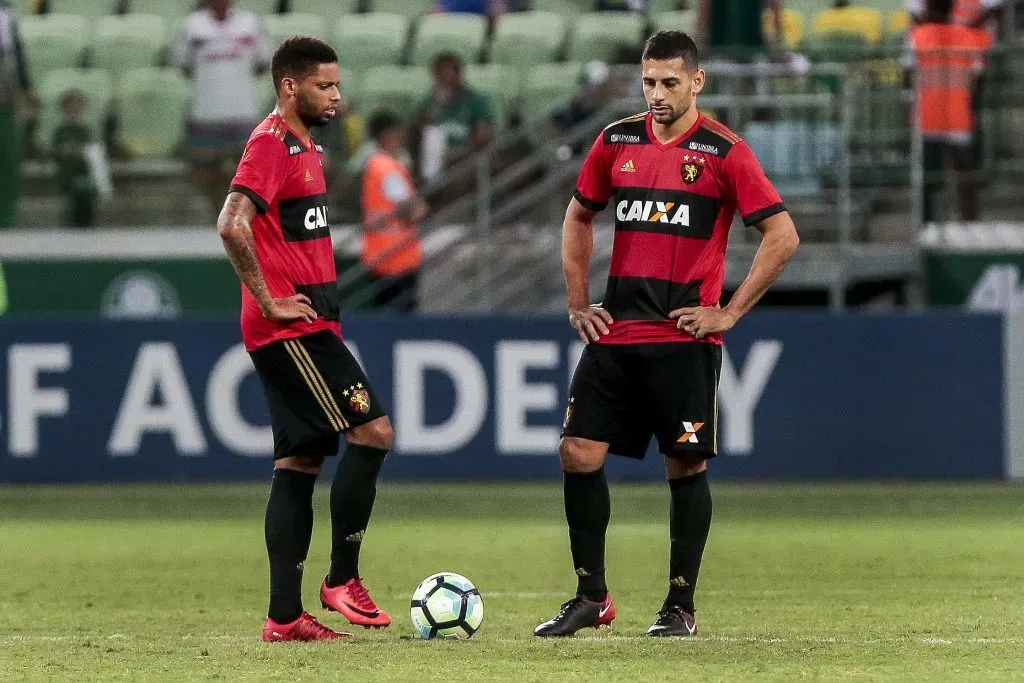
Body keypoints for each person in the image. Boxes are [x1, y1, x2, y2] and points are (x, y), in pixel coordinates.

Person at [533, 30, 799, 638]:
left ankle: (679, 607)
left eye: (669, 83)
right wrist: (579, 302)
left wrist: (727, 313)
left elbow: (782, 236)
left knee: (683, 465)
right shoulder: (615, 140)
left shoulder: (725, 151)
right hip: (618, 331)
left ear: (697, 82)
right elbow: (579, 216)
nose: (656, 94)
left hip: (683, 338)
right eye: (649, 81)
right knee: (577, 451)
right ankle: (590, 597)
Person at [218, 36, 394, 642]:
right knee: (373, 432)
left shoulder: (304, 145)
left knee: (299, 462)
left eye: (338, 85)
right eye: (325, 85)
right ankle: (341, 578)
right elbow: (231, 222)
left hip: (306, 321)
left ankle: (284, 616)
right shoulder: (271, 144)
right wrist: (269, 299)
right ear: (290, 86)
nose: (338, 96)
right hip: (293, 327)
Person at [174, 0, 273, 219]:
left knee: (247, 168)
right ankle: (217, 214)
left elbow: (263, 62)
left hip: (242, 112)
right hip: (206, 112)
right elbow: (183, 64)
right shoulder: (192, 26)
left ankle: (243, 216)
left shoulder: (250, 24)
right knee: (206, 170)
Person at [907, 0, 990, 223]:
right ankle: (971, 222)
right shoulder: (969, 37)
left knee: (929, 178)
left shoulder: (919, 36)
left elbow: (908, 75)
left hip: (927, 118)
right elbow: (976, 77)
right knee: (964, 174)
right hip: (958, 116)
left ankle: (927, 223)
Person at [361, 111, 427, 312]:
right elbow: (414, 211)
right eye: (399, 133)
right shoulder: (388, 169)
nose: (402, 139)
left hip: (382, 258)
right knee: (400, 319)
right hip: (398, 259)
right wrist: (421, 206)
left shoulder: (375, 166)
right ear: (387, 136)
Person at [417, 52, 494, 181]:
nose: (447, 78)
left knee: (457, 176)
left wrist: (457, 154)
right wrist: (437, 105)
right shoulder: (430, 102)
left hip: (466, 156)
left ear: (459, 73)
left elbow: (483, 136)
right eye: (441, 73)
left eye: (451, 72)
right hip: (435, 157)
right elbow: (420, 132)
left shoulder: (476, 100)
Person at [0, 0, 37, 229]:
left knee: (7, 165)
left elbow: (16, 52)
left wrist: (25, 85)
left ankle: (5, 222)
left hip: (4, 99)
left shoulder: (5, 13)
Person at [52, 91, 99, 228]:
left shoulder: (86, 131)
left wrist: (79, 151)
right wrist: (79, 151)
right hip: (69, 175)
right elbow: (61, 151)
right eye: (70, 109)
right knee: (80, 188)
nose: (74, 112)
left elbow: (92, 151)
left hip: (86, 174)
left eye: (77, 109)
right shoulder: (60, 132)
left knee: (86, 188)